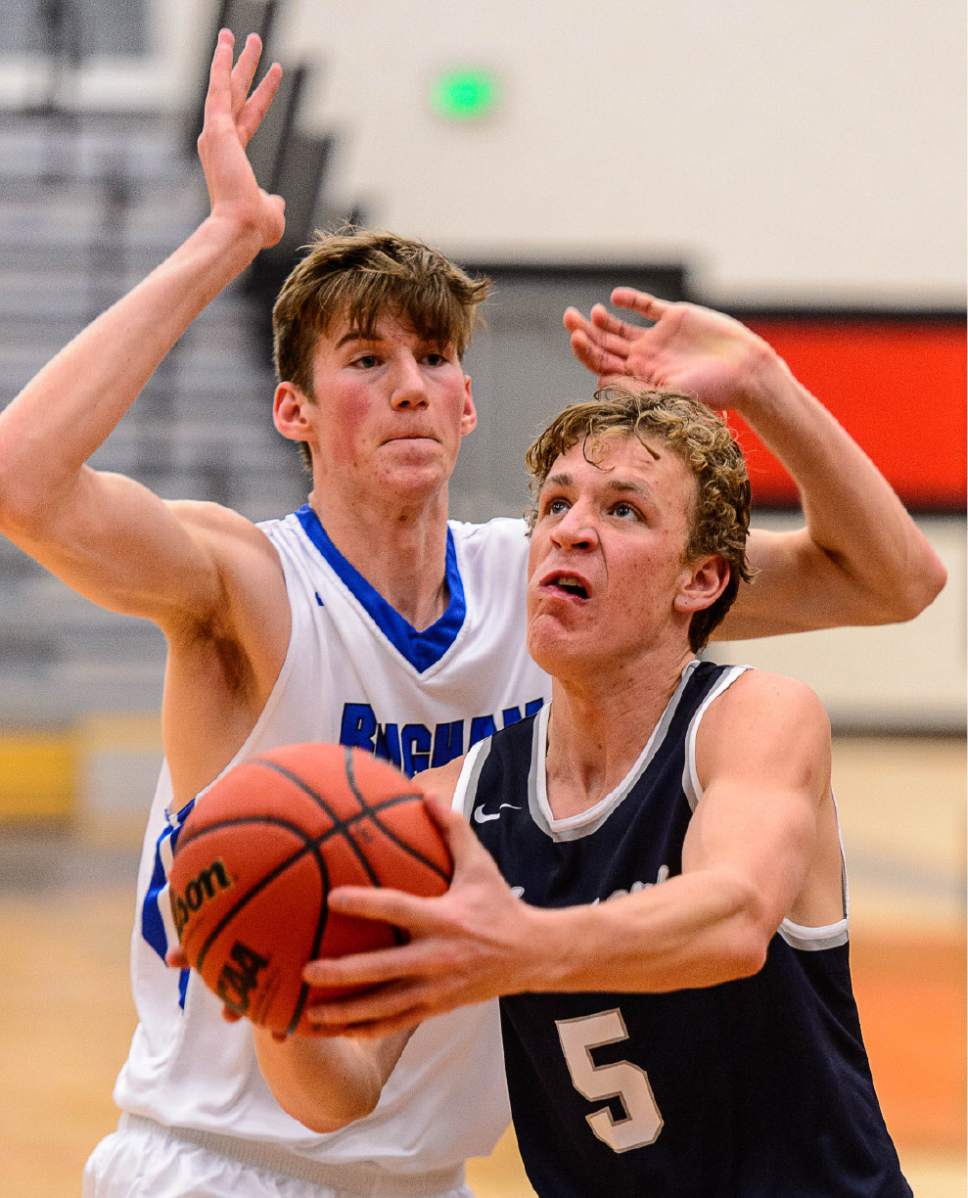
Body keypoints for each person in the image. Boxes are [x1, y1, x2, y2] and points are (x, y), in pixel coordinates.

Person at [0, 27, 939, 1198]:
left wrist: (763, 382)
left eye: (434, 355)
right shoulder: (244, 580)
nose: (406, 381)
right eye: (363, 358)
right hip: (222, 1159)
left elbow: (888, 580)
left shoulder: (553, 580)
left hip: (427, 1170)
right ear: (290, 410)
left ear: (464, 405)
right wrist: (224, 239)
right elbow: (23, 480)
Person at [289, 388, 913, 1198]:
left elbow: (731, 919)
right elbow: (341, 1088)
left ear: (700, 580)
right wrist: (276, 990)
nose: (570, 529)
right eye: (555, 503)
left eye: (623, 511)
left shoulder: (751, 718)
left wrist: (515, 946)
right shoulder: (459, 799)